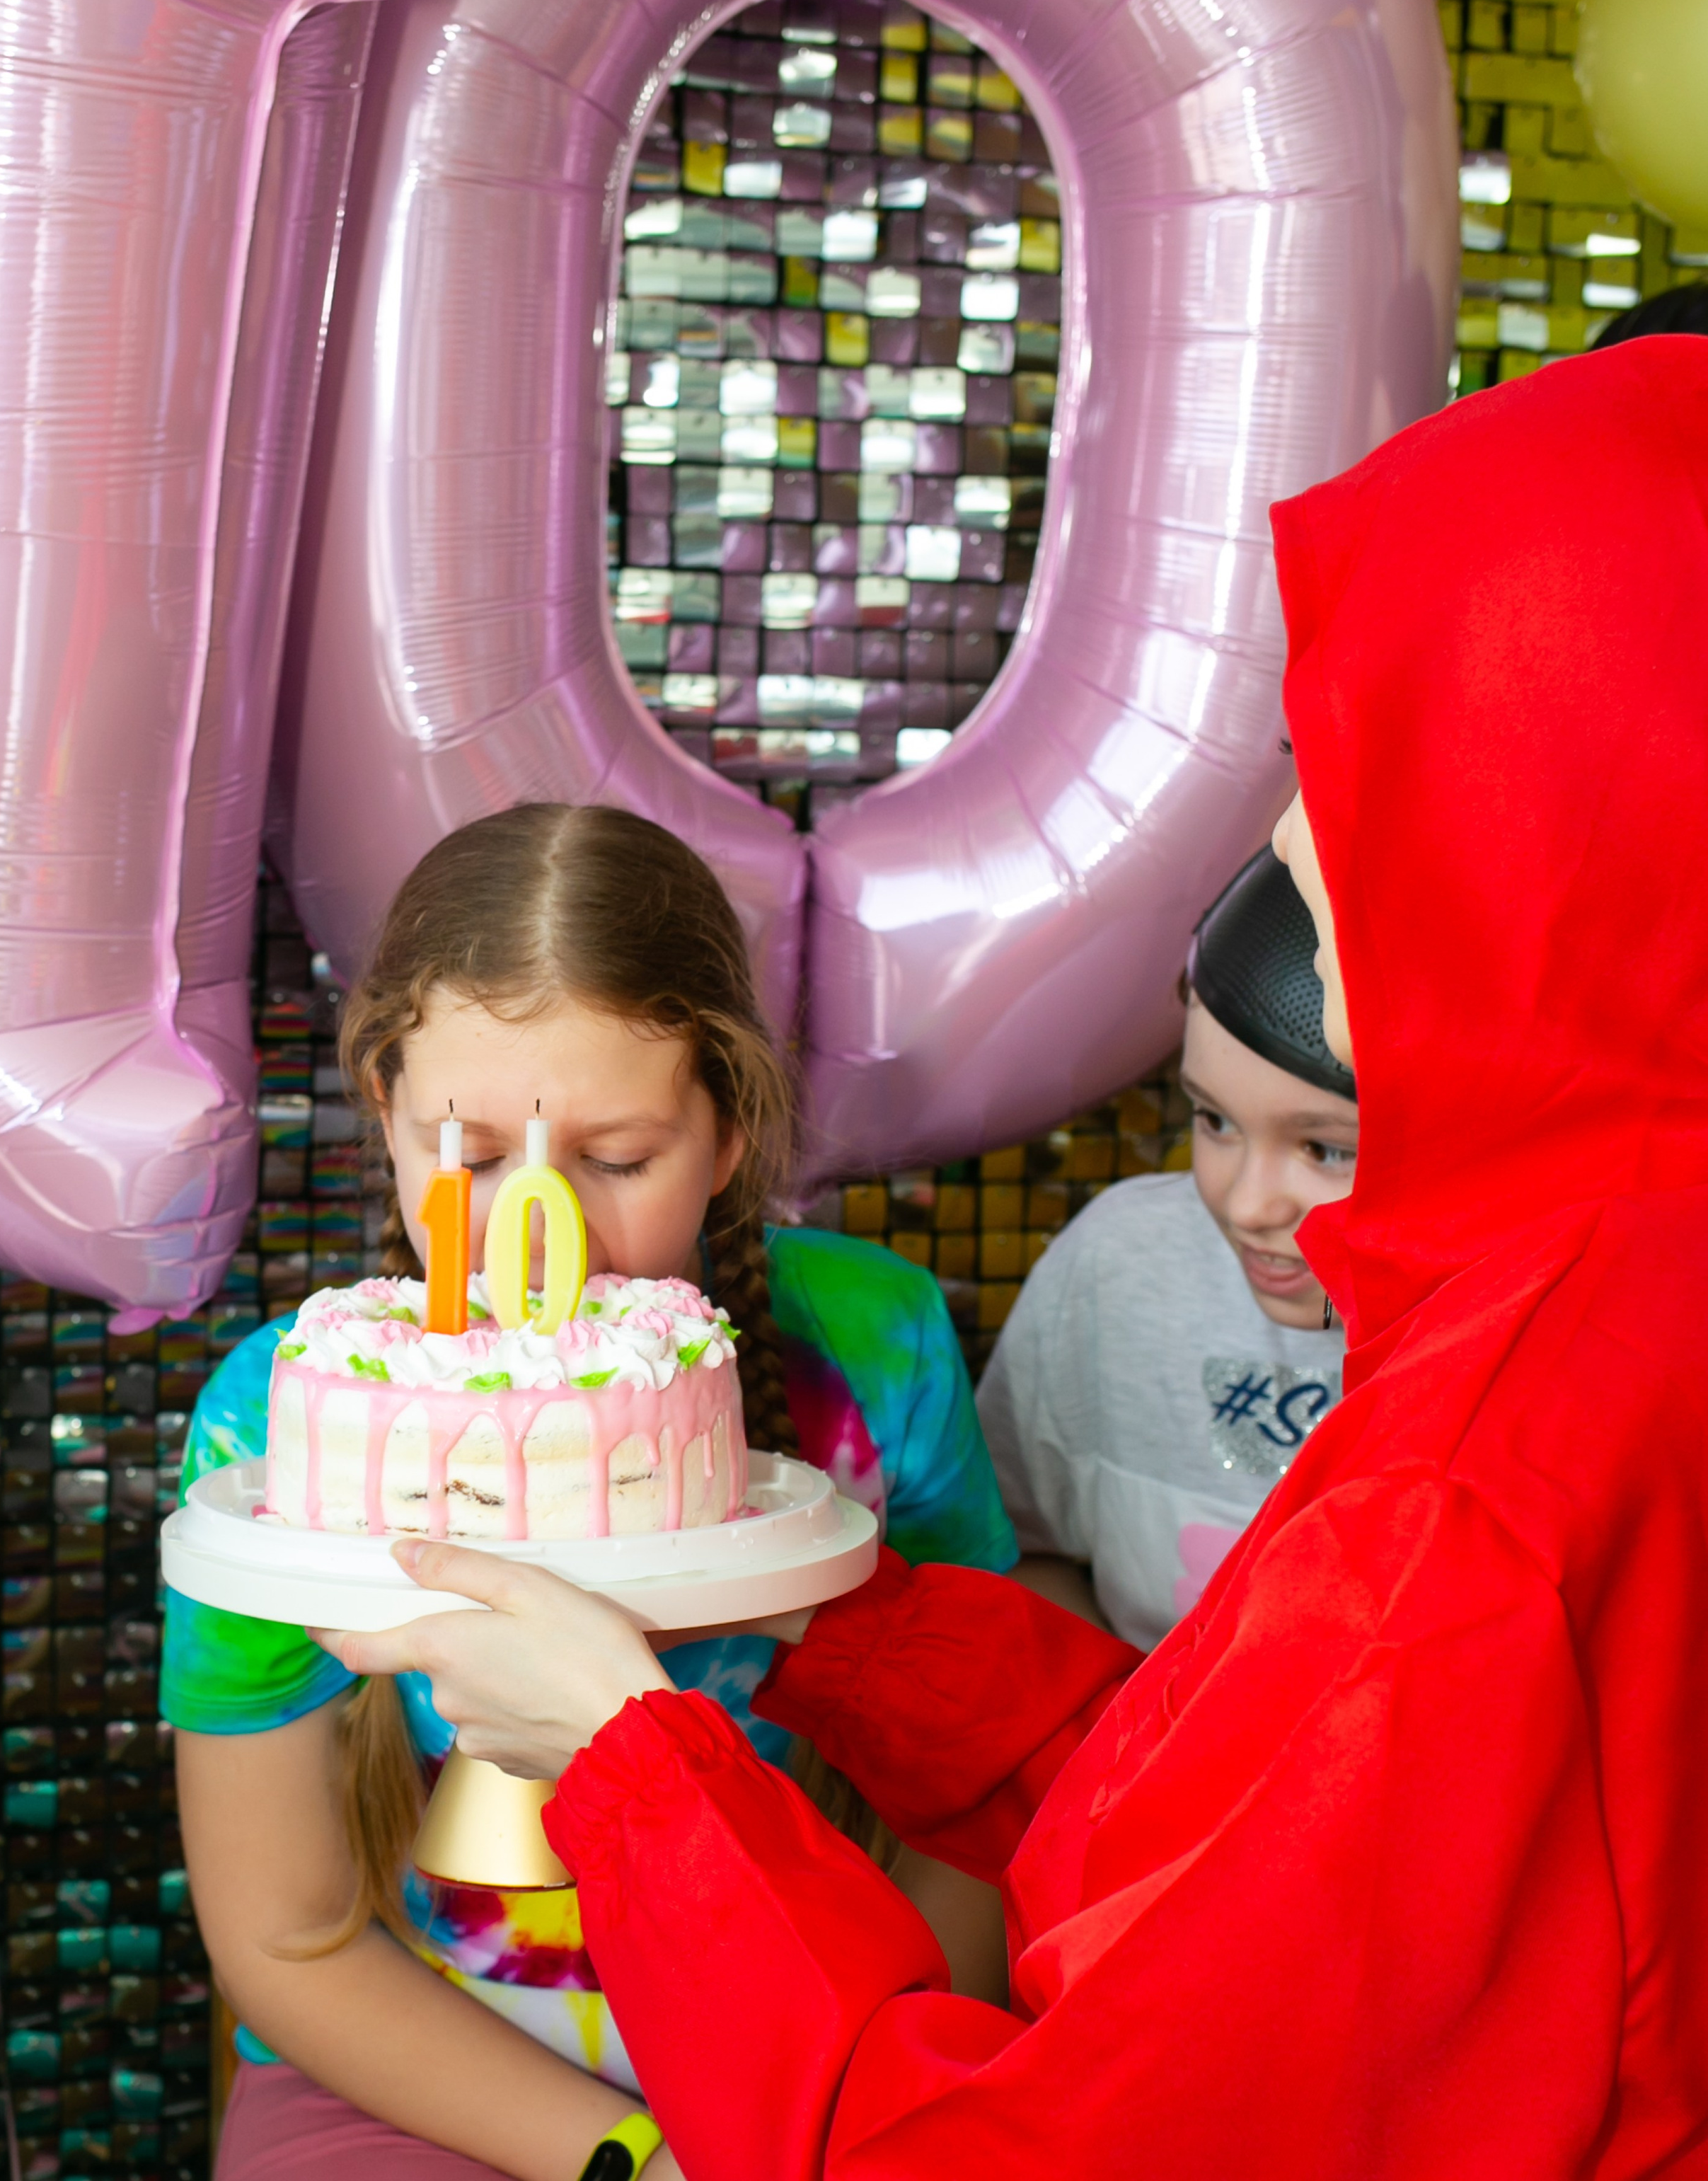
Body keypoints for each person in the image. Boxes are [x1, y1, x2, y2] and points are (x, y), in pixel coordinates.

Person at [321, 337, 1708, 2175]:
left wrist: (629, 1763)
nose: (1292, 832)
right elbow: (1261, 1845)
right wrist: (829, 1618)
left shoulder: (1484, 1485)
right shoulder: (1611, 1284)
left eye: (1368, 748)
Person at [163, 806, 1015, 2181]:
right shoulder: (284, 1422)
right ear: (383, 1106)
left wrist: (871, 2107)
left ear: (727, 1134)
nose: (532, 1239)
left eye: (616, 1162)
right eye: (470, 1153)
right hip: (427, 2070)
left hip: (817, 2054)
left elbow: (970, 1807)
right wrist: (633, 2158)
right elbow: (285, 1931)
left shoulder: (875, 1348)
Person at [979, 848, 1358, 1645]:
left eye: (1325, 1149)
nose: (1247, 1204)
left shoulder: (1570, 1335)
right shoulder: (1118, 1266)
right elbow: (1021, 1555)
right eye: (1214, 1119)